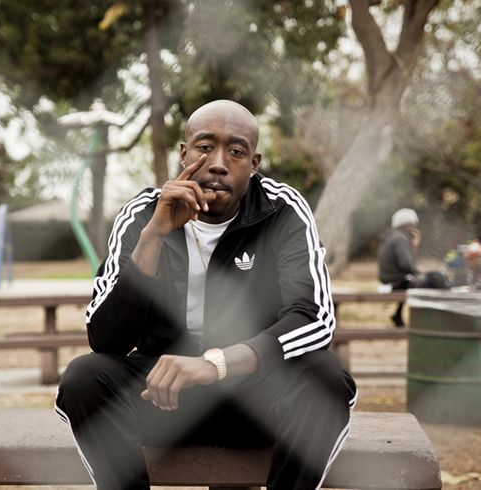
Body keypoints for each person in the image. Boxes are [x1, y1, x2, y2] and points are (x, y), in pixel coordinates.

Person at [55, 100, 357, 490]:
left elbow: (315, 318)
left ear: (254, 163)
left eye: (236, 151)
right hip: (163, 398)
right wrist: (154, 237)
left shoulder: (282, 211)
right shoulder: (142, 214)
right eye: (204, 146)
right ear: (183, 154)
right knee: (84, 376)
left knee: (325, 376)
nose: (218, 163)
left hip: (254, 398)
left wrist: (215, 364)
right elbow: (105, 338)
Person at [377, 208, 448, 327]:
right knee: (436, 278)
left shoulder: (392, 236)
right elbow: (406, 265)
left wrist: (414, 247)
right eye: (412, 224)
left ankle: (398, 315)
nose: (414, 227)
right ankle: (437, 318)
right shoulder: (400, 239)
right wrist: (420, 270)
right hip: (396, 281)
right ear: (405, 224)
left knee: (431, 277)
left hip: (391, 279)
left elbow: (407, 264)